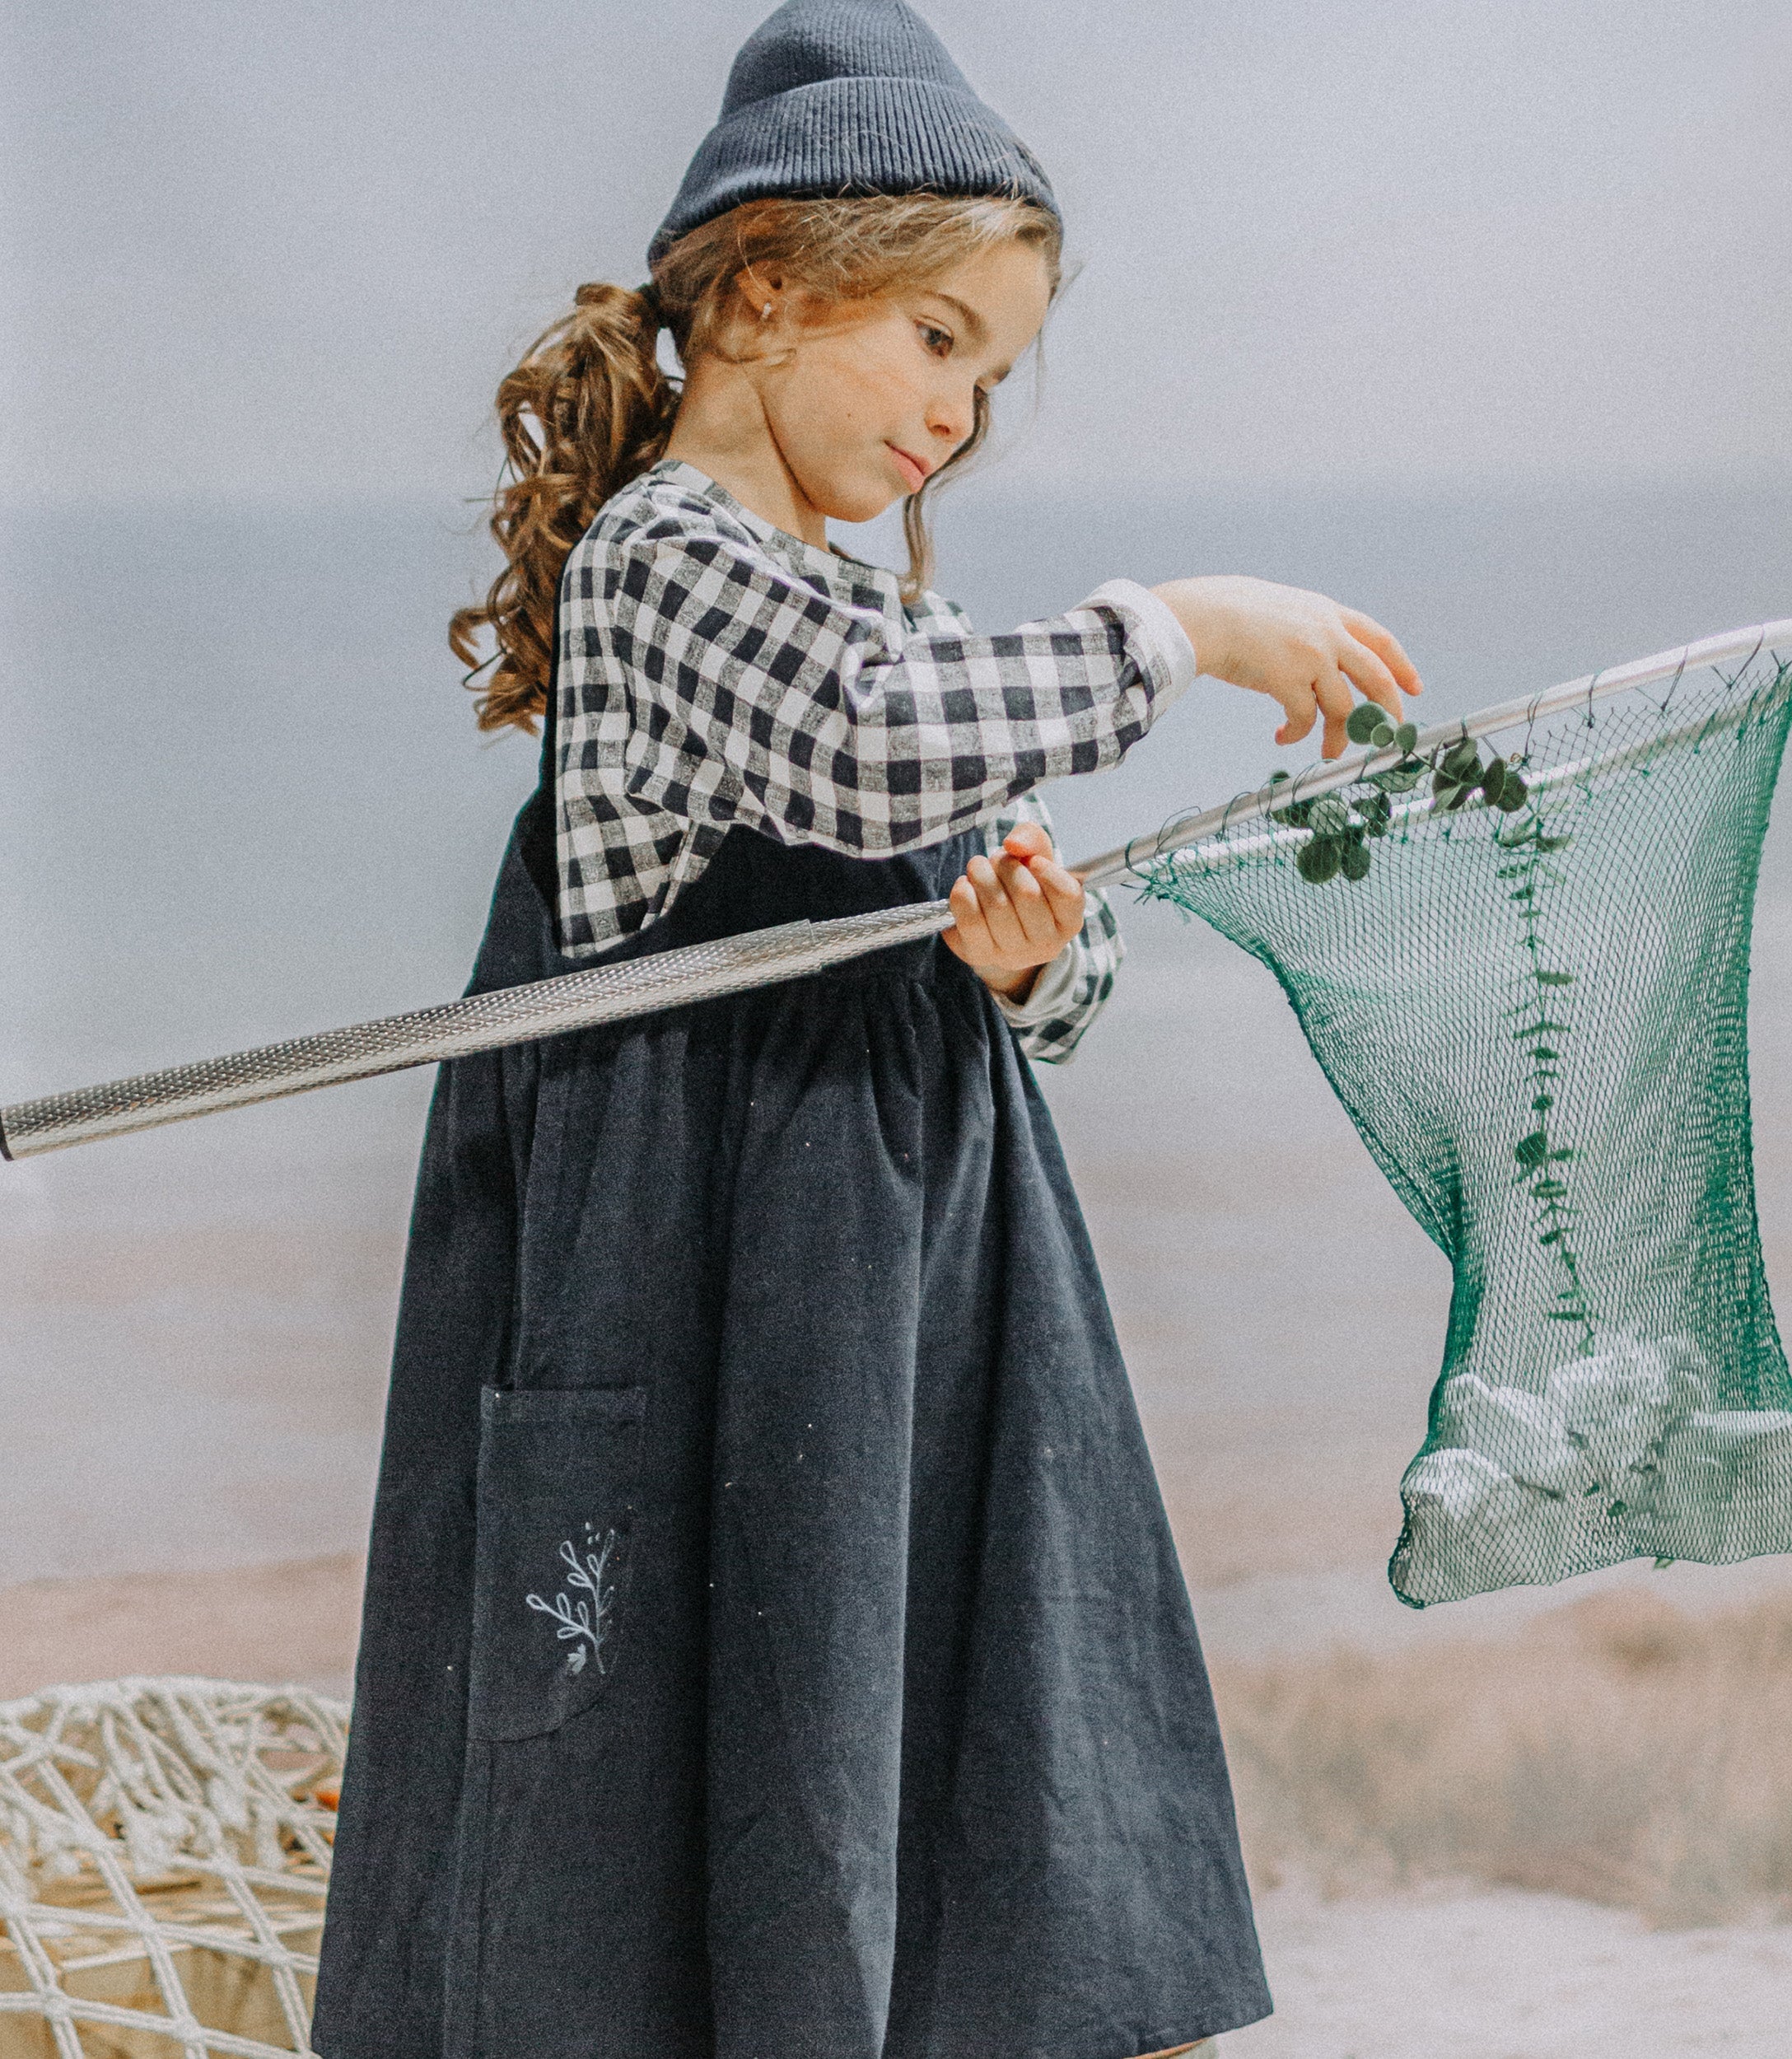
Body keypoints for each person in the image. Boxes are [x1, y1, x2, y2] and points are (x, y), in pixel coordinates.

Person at [312, 5, 1419, 2056]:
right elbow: (864, 748)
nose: (958, 416)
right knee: (670, 1809)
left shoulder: (885, 611)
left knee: (945, 1784)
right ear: (760, 285)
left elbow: (1017, 916)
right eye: (935, 341)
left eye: (987, 378)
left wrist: (1025, 957)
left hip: (914, 1308)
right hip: (699, 1308)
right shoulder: (670, 565)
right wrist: (1178, 628)